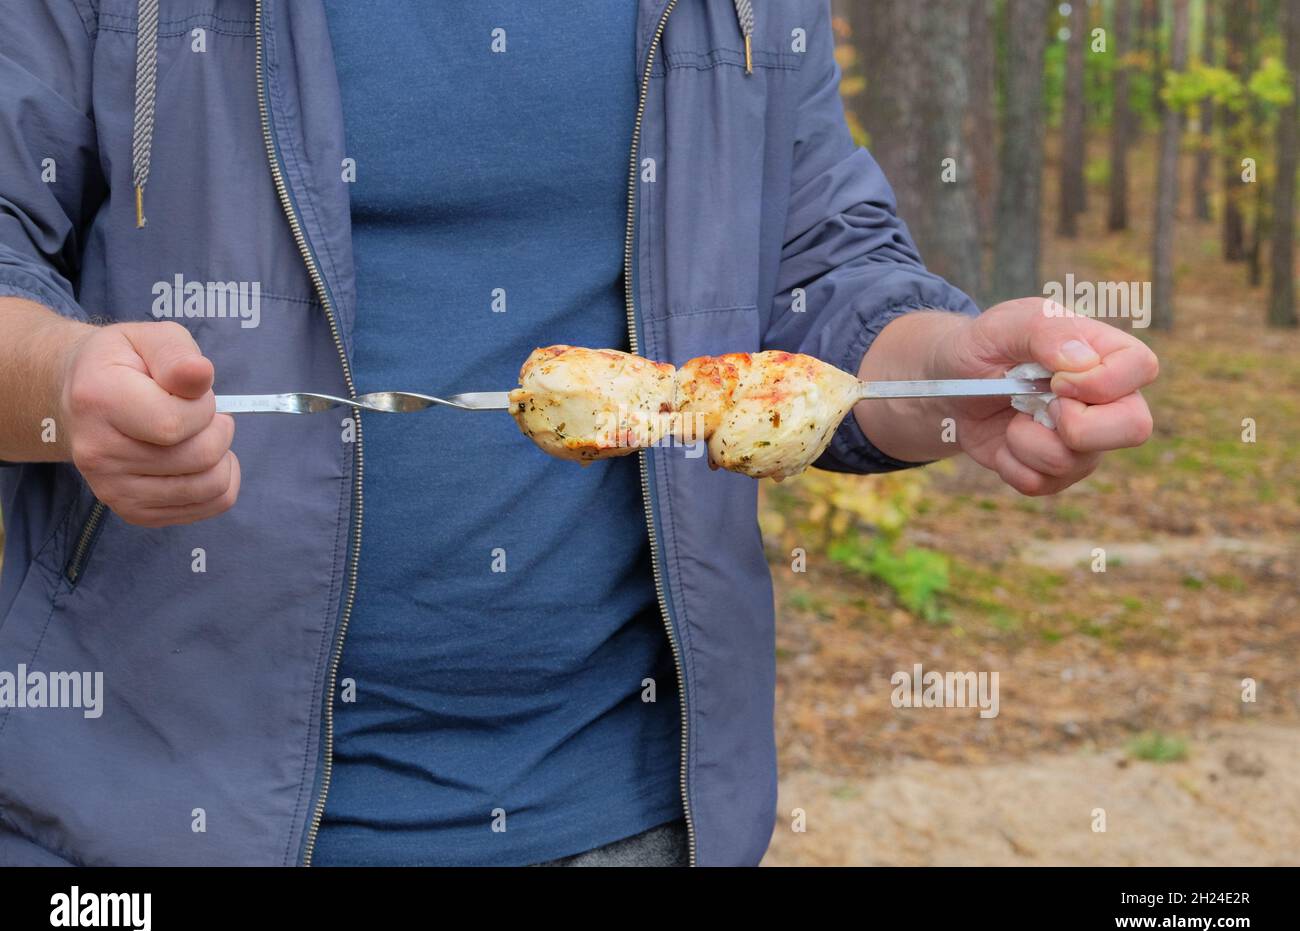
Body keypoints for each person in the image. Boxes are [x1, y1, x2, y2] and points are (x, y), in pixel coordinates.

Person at [0, 1, 1156, 867]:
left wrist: (945, 371)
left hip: (626, 817)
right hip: (150, 823)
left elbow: (820, 277)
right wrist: (66, 377)